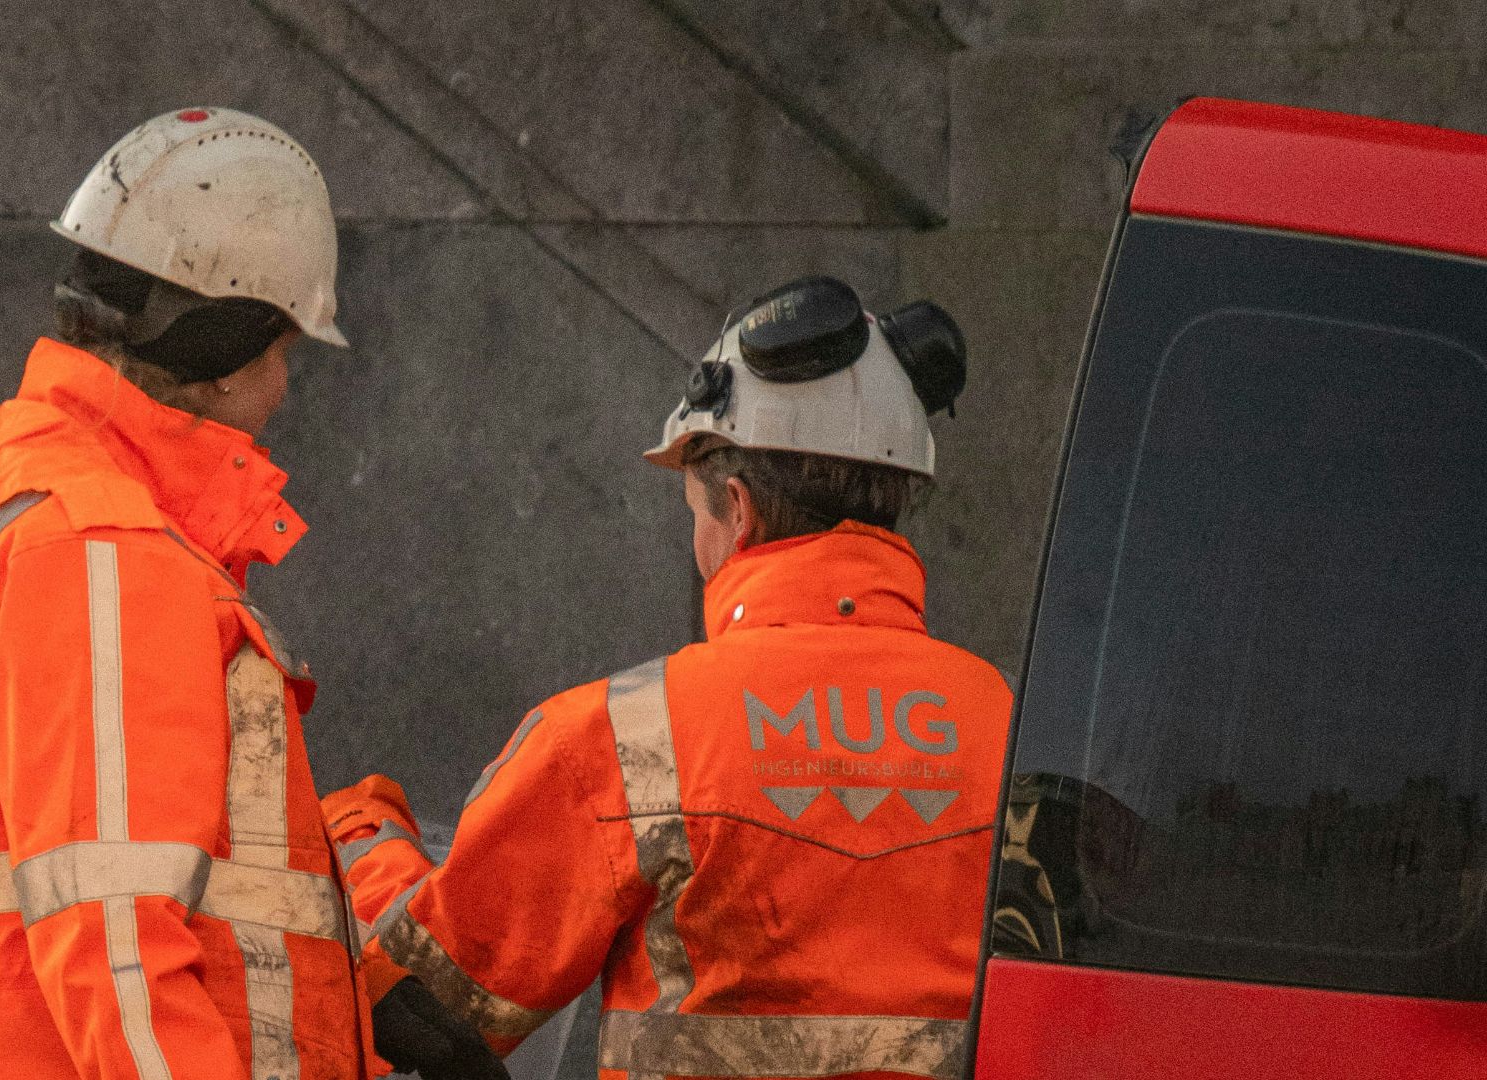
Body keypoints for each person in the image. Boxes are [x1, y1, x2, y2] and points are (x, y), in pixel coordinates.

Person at [0, 106, 497, 1080]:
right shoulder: (100, 550)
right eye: (283, 350)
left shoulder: (59, 522)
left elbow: (185, 907)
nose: (285, 388)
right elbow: (120, 952)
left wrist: (362, 996)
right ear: (225, 354)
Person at [327, 276, 1014, 1080]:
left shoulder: (626, 737)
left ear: (737, 508)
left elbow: (432, 997)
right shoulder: (1015, 725)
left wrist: (362, 838)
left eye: (696, 515)